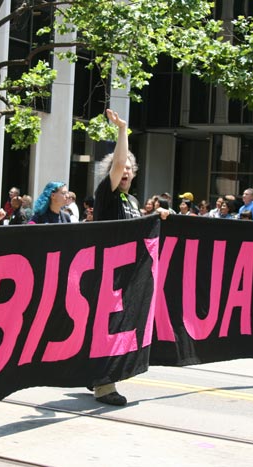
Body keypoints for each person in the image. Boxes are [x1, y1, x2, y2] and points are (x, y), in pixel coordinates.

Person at [92, 108, 169, 406]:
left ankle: (96, 373)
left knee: (115, 326)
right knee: (111, 326)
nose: (124, 172)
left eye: (128, 170)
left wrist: (158, 215)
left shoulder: (133, 200)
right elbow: (119, 160)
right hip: (107, 272)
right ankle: (104, 385)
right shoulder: (106, 192)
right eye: (119, 168)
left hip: (128, 275)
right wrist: (123, 130)